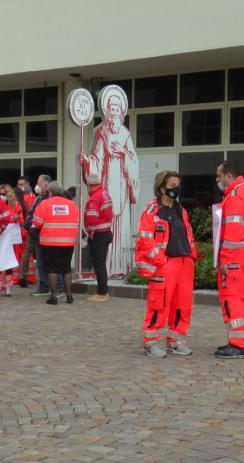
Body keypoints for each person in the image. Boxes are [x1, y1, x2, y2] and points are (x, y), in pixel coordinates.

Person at [135, 171, 197, 358]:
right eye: (172, 186)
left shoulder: (181, 210)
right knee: (159, 304)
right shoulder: (152, 211)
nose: (175, 189)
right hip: (166, 264)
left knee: (182, 305)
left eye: (177, 185)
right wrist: (161, 261)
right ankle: (151, 342)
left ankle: (175, 341)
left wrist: (192, 256)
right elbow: (146, 240)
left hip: (184, 264)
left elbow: (188, 235)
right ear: (162, 188)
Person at [80, 86, 139, 276]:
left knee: (121, 225)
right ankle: (107, 268)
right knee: (107, 221)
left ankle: (122, 267)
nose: (113, 113)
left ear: (121, 112)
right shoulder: (101, 133)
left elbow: (134, 160)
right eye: (111, 109)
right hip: (106, 184)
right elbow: (96, 158)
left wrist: (123, 154)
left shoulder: (125, 134)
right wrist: (87, 161)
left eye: (116, 110)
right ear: (107, 111)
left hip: (121, 182)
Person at [214, 160, 244, 359]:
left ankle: (237, 344)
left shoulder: (235, 196)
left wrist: (224, 259)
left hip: (236, 254)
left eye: (219, 176)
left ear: (229, 175)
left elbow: (232, 232)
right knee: (242, 295)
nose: (217, 180)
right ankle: (239, 340)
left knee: (232, 296)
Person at [32, 182, 79, 305]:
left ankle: (53, 297)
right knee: (66, 269)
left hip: (50, 242)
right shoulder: (72, 205)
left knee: (51, 269)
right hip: (68, 242)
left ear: (50, 192)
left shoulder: (45, 204)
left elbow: (37, 222)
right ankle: (69, 296)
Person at [84, 173, 113, 302]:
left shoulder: (94, 198)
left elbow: (92, 219)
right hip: (106, 232)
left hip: (98, 234)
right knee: (101, 263)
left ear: (90, 185)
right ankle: (103, 290)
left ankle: (102, 292)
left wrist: (89, 233)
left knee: (98, 263)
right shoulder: (105, 194)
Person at [21, 174, 52, 293]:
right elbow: (32, 212)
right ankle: (44, 285)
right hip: (35, 231)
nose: (37, 186)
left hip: (41, 232)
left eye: (39, 183)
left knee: (43, 261)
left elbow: (39, 215)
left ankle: (46, 285)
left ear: (45, 184)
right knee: (40, 261)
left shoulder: (46, 198)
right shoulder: (40, 197)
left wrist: (30, 224)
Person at [0, 184, 24, 296]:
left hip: (10, 236)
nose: (2, 196)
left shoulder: (15, 205)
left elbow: (21, 219)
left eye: (4, 194)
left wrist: (15, 219)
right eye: (0, 194)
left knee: (8, 263)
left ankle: (8, 286)